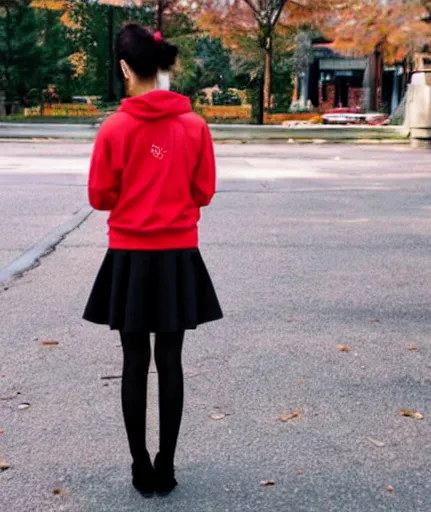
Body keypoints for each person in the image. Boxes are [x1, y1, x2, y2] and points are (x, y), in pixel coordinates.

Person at [83, 23, 223, 498]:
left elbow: (100, 196)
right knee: (171, 359)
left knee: (133, 360)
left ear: (125, 67)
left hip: (129, 255)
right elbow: (203, 191)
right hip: (178, 255)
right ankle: (167, 464)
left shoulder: (114, 128)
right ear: (164, 66)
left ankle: (140, 465)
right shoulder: (195, 126)